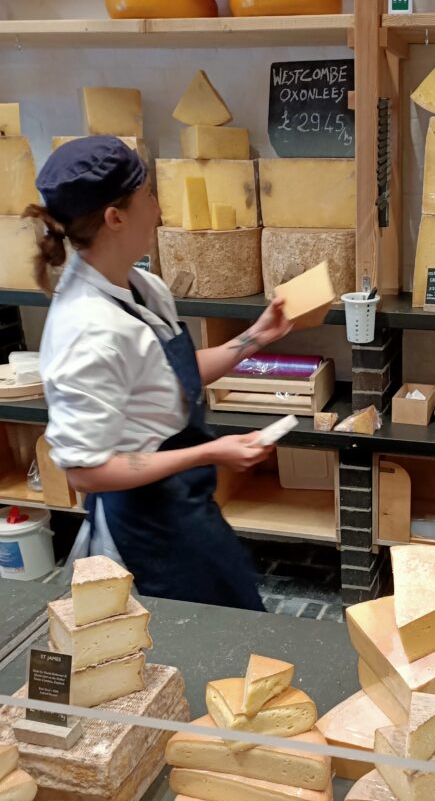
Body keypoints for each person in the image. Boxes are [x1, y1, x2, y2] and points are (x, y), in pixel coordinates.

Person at [28, 136, 293, 610]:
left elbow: (170, 377)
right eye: (148, 194)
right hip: (143, 526)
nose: (158, 206)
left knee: (234, 616)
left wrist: (256, 337)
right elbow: (86, 470)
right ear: (116, 217)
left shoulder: (140, 285)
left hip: (185, 502)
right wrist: (210, 451)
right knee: (194, 643)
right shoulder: (86, 330)